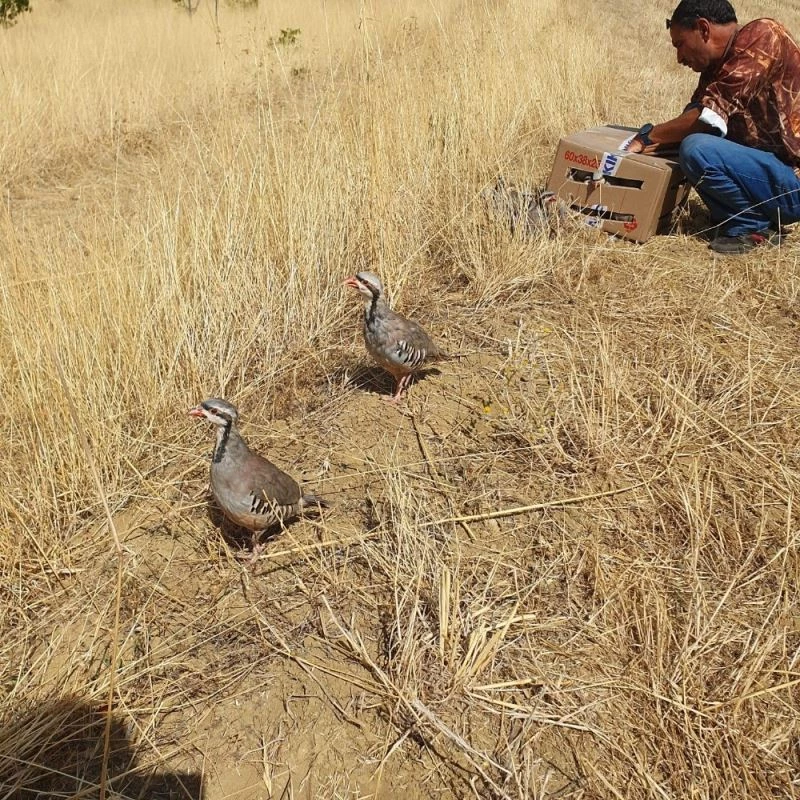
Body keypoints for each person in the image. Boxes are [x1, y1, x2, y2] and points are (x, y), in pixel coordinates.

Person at [625, 0, 800, 254]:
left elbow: (706, 119)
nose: (679, 58)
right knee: (691, 144)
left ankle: (751, 225)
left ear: (703, 29)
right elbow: (696, 114)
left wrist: (648, 135)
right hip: (771, 176)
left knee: (696, 148)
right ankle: (749, 215)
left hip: (792, 183)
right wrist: (659, 145)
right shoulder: (717, 68)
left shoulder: (763, 35)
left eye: (680, 44)